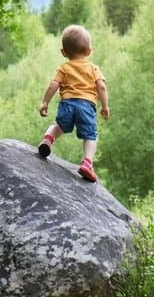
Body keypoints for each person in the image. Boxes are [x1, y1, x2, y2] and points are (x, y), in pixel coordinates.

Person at [38, 24, 110, 182]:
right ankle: (87, 163)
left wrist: (45, 102)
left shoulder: (64, 68)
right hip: (86, 106)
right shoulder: (93, 68)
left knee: (59, 126)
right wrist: (105, 106)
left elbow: (53, 85)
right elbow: (102, 87)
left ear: (64, 52)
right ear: (89, 51)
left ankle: (47, 140)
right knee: (91, 135)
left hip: (67, 104)